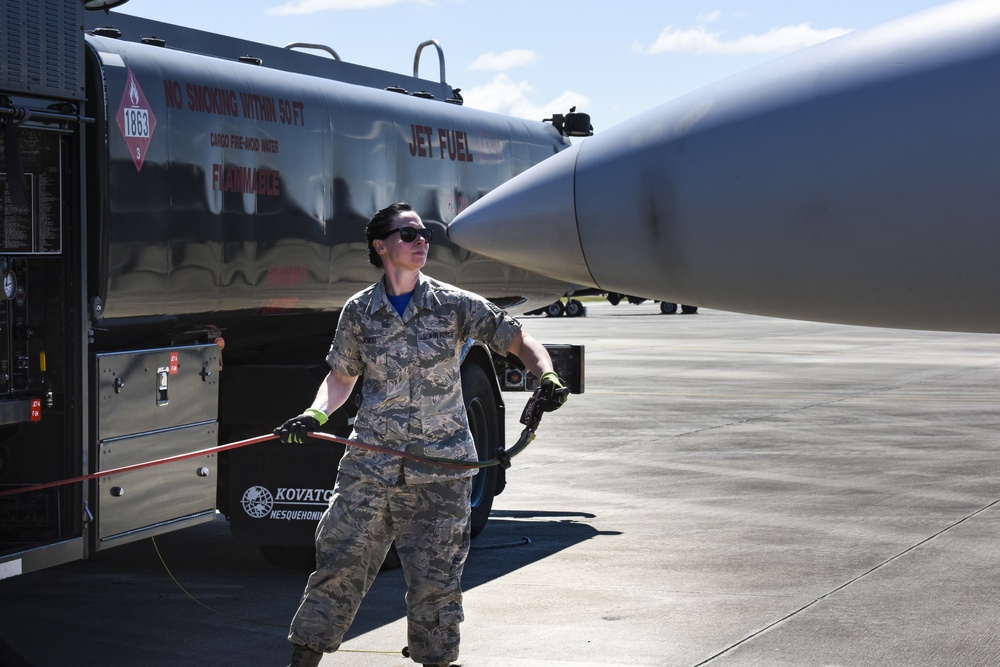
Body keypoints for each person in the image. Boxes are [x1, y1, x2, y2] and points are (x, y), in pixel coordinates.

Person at [275, 202, 567, 667]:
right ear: (381, 244)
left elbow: (517, 338)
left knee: (437, 586)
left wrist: (546, 376)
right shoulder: (359, 312)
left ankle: (435, 660)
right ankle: (304, 657)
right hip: (370, 469)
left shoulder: (453, 304)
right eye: (408, 233)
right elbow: (342, 378)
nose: (421, 240)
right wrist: (314, 413)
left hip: (441, 472)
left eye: (424, 233)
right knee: (338, 566)